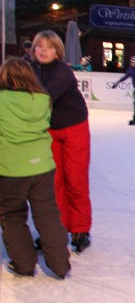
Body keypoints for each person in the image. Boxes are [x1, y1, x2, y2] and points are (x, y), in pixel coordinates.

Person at [0, 58, 71, 279]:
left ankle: (24, 264)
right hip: (42, 167)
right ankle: (60, 265)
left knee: (12, 215)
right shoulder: (43, 99)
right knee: (48, 214)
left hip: (10, 169)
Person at [30, 30, 93, 253]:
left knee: (75, 180)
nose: (43, 51)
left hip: (74, 127)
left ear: (57, 51)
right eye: (39, 46)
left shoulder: (63, 71)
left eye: (49, 47)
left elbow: (45, 98)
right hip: (49, 130)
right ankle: (55, 229)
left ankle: (80, 229)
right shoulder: (30, 70)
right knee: (53, 181)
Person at [108, 55, 135, 125]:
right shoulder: (131, 69)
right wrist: (117, 83)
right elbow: (125, 77)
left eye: (133, 62)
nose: (132, 63)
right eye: (131, 62)